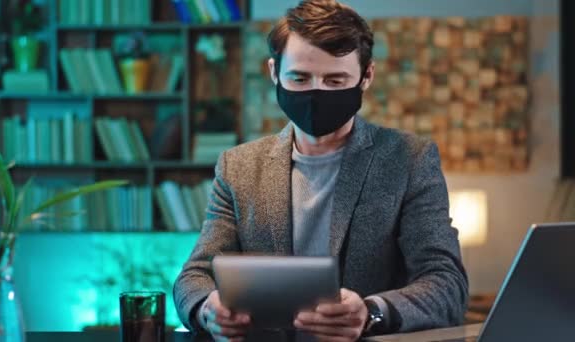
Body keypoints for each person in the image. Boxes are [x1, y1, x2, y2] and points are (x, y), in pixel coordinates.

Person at [173, 0, 469, 340]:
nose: (317, 93)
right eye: (299, 78)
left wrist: (372, 312)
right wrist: (205, 307)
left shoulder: (410, 160)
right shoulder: (237, 167)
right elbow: (193, 276)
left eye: (335, 80)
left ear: (366, 76)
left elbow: (447, 284)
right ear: (274, 72)